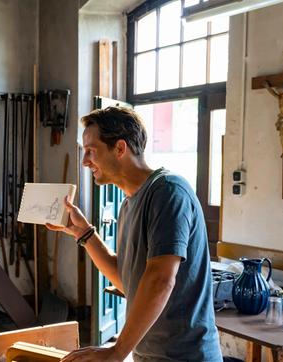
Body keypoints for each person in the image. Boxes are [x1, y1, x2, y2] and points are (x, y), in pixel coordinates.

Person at [47, 107, 222, 361]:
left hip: (185, 356)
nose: (85, 162)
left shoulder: (168, 191)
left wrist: (117, 351)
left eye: (90, 151)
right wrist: (84, 233)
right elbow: (128, 281)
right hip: (149, 355)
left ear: (119, 149)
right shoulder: (128, 203)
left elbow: (161, 279)